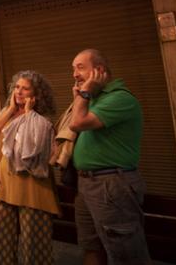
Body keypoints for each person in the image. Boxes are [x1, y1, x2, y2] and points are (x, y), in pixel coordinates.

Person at [69, 49, 149, 264]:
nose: (75, 74)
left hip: (111, 184)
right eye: (73, 69)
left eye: (80, 67)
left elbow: (76, 123)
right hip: (87, 183)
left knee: (124, 253)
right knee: (90, 247)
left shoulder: (119, 99)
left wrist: (83, 94)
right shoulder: (94, 100)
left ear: (99, 70)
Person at [0, 71, 59, 265]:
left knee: (32, 244)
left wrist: (27, 113)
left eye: (25, 88)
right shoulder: (7, 113)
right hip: (6, 185)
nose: (19, 91)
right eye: (17, 87)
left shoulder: (42, 119)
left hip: (33, 187)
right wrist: (10, 109)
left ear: (36, 94)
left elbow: (31, 147)